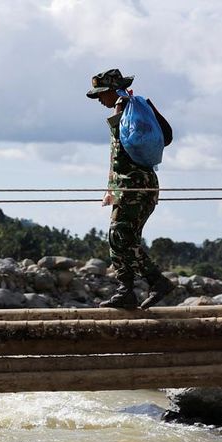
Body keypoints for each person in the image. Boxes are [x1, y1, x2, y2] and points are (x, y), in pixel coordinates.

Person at [87, 69, 174, 310]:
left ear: (111, 90)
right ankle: (127, 290)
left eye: (100, 95)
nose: (100, 101)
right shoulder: (140, 104)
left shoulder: (123, 106)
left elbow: (118, 153)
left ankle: (153, 282)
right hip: (141, 184)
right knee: (123, 238)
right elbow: (167, 136)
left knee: (120, 236)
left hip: (132, 186)